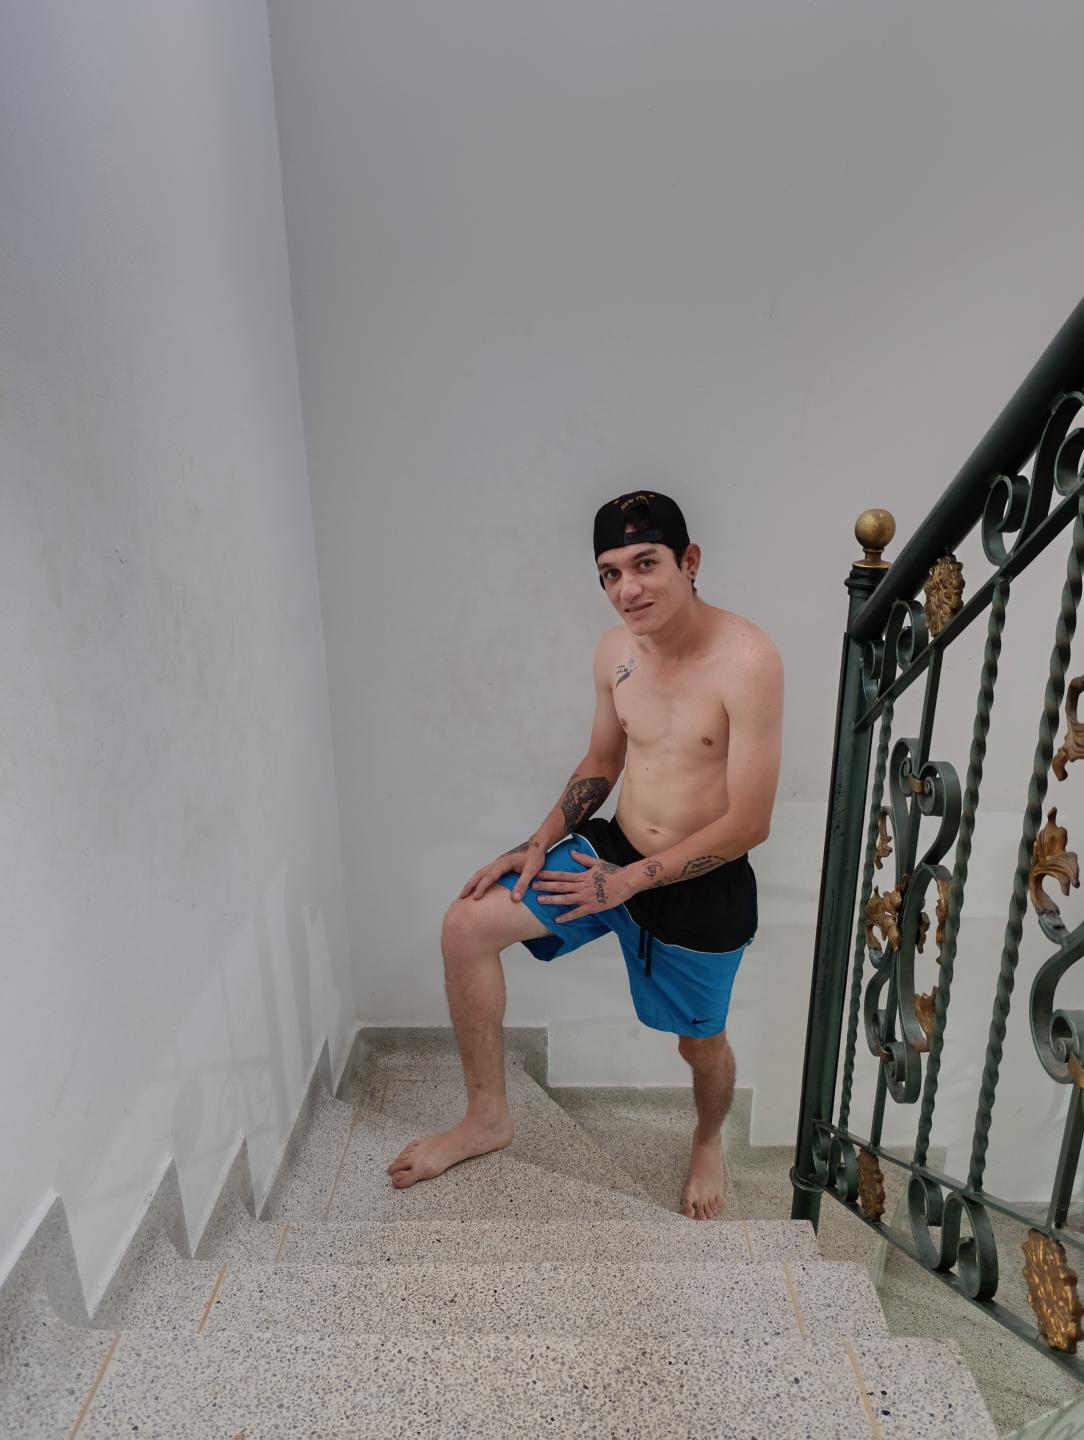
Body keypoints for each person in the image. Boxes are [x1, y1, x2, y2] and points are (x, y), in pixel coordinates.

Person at [388, 491, 783, 1219]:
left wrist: (631, 884)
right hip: (611, 854)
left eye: (645, 564)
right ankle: (485, 1119)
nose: (627, 589)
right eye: (610, 573)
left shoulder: (748, 661)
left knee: (701, 1048)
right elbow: (603, 761)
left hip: (700, 884)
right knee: (466, 925)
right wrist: (537, 844)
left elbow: (750, 823)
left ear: (690, 561)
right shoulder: (614, 653)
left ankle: (707, 1139)